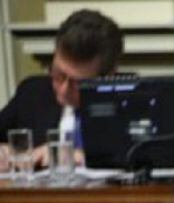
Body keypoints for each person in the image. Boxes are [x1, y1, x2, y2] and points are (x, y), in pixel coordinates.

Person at [0, 8, 123, 166]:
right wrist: (6, 152)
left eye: (77, 83)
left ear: (108, 77)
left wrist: (80, 156)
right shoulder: (32, 93)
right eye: (58, 75)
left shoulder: (131, 102)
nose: (64, 89)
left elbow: (148, 157)